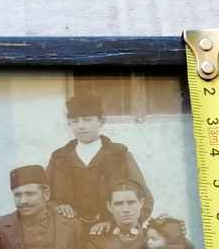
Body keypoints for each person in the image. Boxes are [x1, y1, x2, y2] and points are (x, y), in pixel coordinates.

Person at [46, 92, 151, 231]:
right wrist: (58, 207)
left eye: (88, 120)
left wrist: (116, 225)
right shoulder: (58, 158)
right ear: (69, 123)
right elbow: (44, 197)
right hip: (68, 235)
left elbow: (145, 199)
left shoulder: (119, 155)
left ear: (101, 122)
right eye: (75, 121)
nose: (81, 126)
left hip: (110, 235)